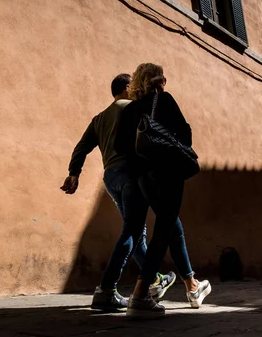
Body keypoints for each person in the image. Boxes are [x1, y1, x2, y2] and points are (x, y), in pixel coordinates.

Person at [60, 73, 175, 312]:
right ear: (128, 87)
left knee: (136, 231)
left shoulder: (99, 118)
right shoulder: (134, 108)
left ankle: (153, 279)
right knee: (132, 231)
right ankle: (106, 290)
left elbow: (81, 147)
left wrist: (74, 173)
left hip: (111, 177)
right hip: (131, 175)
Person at [115, 63, 211, 319]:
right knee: (163, 230)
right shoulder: (163, 100)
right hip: (168, 172)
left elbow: (120, 146)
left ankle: (191, 286)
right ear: (157, 80)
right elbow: (186, 134)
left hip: (141, 178)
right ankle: (139, 295)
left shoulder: (130, 109)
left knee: (169, 227)